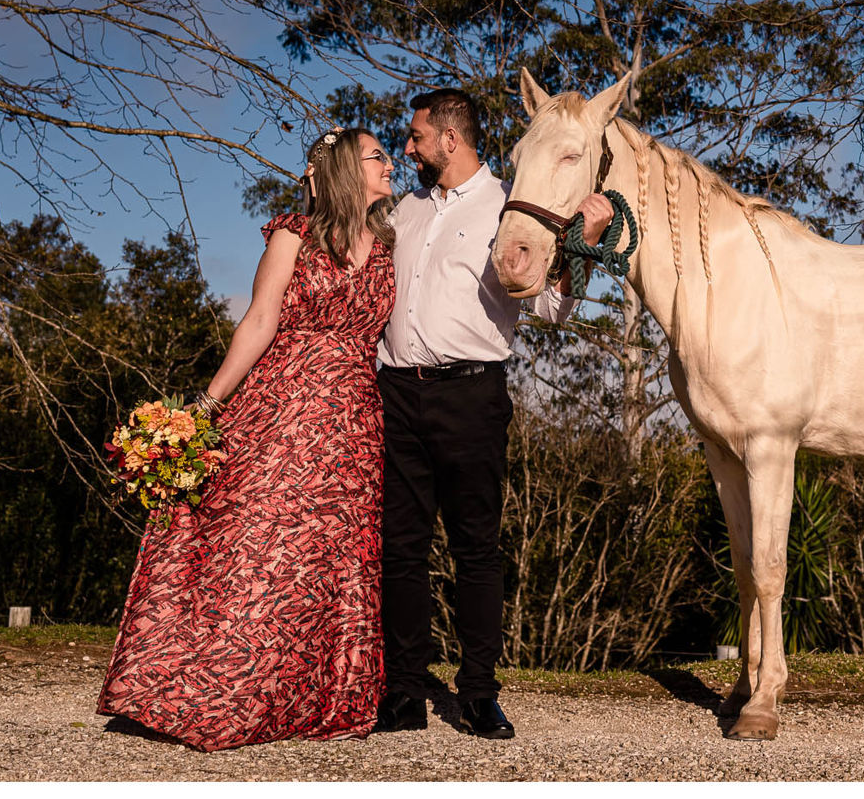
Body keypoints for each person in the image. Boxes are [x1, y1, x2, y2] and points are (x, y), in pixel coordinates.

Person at [98, 127, 398, 751]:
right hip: (281, 408)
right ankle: (224, 693)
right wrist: (205, 407)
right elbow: (260, 320)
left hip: (354, 423)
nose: (390, 164)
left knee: (329, 560)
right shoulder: (295, 234)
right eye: (377, 156)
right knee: (260, 548)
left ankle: (311, 699)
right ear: (347, 167)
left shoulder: (392, 246)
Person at [373, 87, 611, 740]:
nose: (410, 146)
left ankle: (478, 693)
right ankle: (402, 693)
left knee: (476, 550)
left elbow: (554, 312)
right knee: (401, 550)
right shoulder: (407, 210)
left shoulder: (510, 205)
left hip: (472, 395)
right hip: (395, 392)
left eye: (417, 135)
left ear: (450, 139)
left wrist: (582, 247)